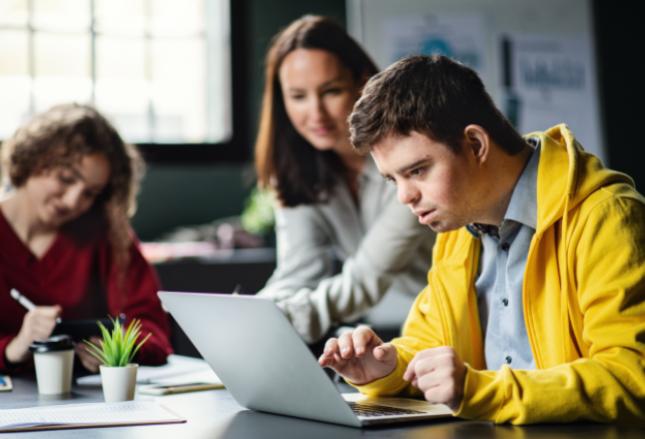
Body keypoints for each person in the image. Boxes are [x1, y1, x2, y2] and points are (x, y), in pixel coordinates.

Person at [319, 55, 645, 424]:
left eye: (417, 170)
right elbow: (430, 345)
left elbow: (633, 375)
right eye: (394, 179)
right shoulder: (460, 230)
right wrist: (385, 367)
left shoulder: (606, 216)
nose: (404, 196)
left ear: (475, 144)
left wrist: (481, 391)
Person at [254, 15, 435, 344]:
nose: (315, 114)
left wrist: (277, 322)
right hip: (410, 330)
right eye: (298, 96)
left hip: (462, 319)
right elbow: (297, 273)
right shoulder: (296, 171)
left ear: (363, 83)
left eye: (331, 91)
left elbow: (367, 277)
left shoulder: (409, 159)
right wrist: (253, 315)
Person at [0, 103, 173, 373]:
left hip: (86, 403)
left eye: (90, 193)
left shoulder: (106, 236)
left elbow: (152, 328)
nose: (73, 201)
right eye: (66, 178)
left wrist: (116, 348)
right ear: (33, 158)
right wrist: (13, 348)